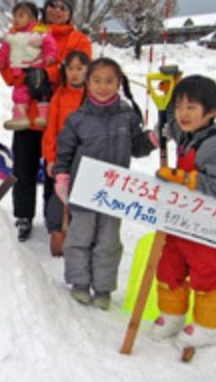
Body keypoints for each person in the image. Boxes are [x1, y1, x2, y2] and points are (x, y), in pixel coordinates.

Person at [53, 57, 158, 309]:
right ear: (87, 83)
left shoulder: (127, 116)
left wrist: (153, 138)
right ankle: (80, 282)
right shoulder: (78, 118)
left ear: (119, 82)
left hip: (114, 193)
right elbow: (64, 151)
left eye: (109, 81)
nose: (103, 87)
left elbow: (137, 147)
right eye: (97, 81)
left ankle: (103, 287)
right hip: (84, 189)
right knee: (80, 237)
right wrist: (62, 176)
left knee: (108, 242)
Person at [0, 0, 92, 242]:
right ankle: (23, 216)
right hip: (28, 115)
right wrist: (17, 76)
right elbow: (9, 63)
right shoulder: (29, 31)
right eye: (52, 4)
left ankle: (55, 223)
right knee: (23, 168)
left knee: (57, 172)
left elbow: (79, 72)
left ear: (70, 12)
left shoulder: (78, 40)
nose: (56, 10)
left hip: (63, 118)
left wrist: (47, 75)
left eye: (63, 6)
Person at [150, 76, 216, 349]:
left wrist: (183, 179)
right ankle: (173, 314)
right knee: (169, 264)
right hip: (179, 217)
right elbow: (168, 128)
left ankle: (208, 324)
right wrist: (164, 110)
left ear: (211, 113)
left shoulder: (211, 145)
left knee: (206, 271)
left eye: (191, 107)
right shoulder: (185, 132)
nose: (183, 114)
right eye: (179, 106)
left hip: (204, 223)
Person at [42, 51, 90, 256]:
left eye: (80, 68)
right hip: (63, 155)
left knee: (84, 195)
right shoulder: (59, 97)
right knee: (58, 196)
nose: (75, 74)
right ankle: (57, 232)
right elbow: (51, 130)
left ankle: (81, 234)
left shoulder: (93, 97)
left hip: (87, 156)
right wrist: (51, 158)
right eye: (70, 69)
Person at [0, 1, 57, 130]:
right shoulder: (12, 34)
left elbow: (49, 42)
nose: (16, 20)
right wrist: (1, 60)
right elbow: (4, 49)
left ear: (32, 18)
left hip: (36, 67)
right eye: (15, 16)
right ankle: (20, 117)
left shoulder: (39, 30)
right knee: (19, 94)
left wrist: (50, 55)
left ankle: (44, 116)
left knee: (41, 91)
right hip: (19, 70)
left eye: (21, 16)